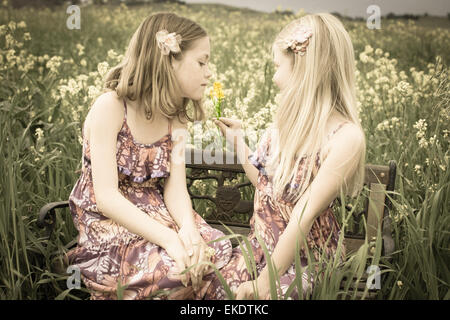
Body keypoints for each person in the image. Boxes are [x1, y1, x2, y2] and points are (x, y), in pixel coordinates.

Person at [65, 12, 232, 300]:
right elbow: (106, 197)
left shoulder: (175, 116)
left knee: (211, 254)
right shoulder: (112, 107)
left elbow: (175, 188)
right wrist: (170, 239)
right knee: (176, 270)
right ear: (168, 61)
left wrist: (189, 231)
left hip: (158, 214)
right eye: (202, 62)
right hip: (111, 224)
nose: (209, 73)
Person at [207, 13, 366, 300]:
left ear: (305, 70)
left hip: (307, 260)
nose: (276, 78)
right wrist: (239, 144)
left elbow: (301, 217)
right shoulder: (283, 128)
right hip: (262, 248)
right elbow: (269, 189)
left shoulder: (345, 138)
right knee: (215, 288)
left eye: (278, 67)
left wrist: (264, 283)